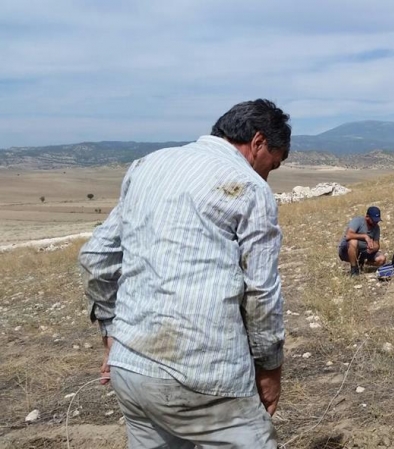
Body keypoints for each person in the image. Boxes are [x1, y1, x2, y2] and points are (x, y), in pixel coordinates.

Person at [79, 99, 290, 449]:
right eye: (274, 164)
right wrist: (270, 369)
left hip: (131, 371)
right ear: (257, 143)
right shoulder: (249, 187)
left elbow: (96, 256)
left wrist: (111, 334)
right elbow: (261, 294)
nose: (268, 174)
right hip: (206, 374)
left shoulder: (147, 166)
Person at [338, 206, 387, 276]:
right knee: (353, 242)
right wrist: (365, 236)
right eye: (373, 220)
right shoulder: (358, 221)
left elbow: (377, 245)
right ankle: (354, 269)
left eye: (377, 220)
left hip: (363, 253)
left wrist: (373, 248)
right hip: (346, 250)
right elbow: (348, 235)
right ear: (367, 217)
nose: (375, 222)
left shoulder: (376, 228)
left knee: (382, 259)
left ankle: (361, 262)